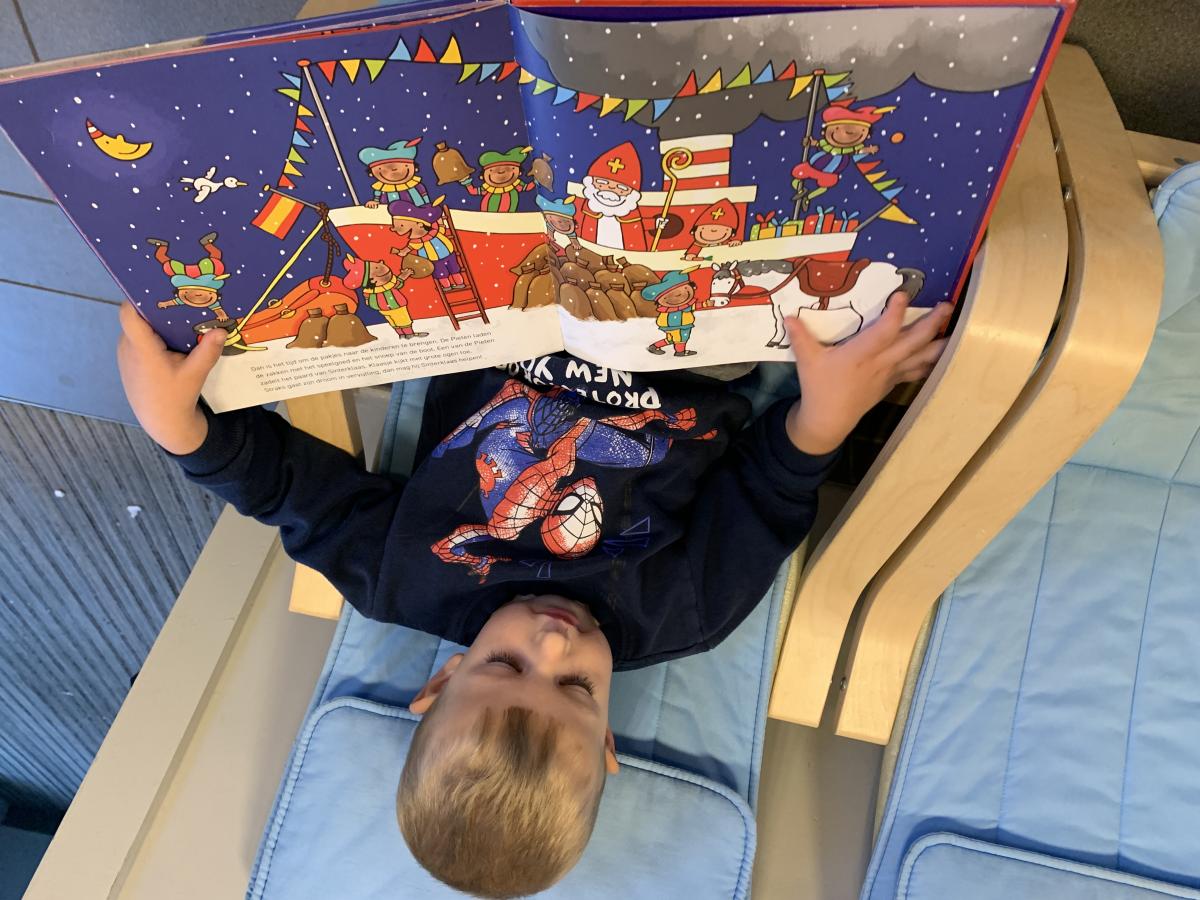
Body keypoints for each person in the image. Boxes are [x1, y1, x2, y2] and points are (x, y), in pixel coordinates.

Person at [116, 293, 949, 899]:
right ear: (608, 737)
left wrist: (177, 430)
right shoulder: (688, 613)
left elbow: (286, 492)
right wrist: (827, 416)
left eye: (506, 665)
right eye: (576, 687)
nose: (553, 642)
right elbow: (770, 485)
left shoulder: (400, 579)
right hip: (696, 329)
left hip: (506, 300)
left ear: (440, 683)